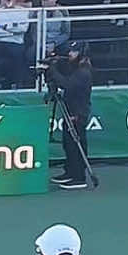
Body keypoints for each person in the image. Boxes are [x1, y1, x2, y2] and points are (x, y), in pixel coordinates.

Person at [44, 43, 93, 189]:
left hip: (78, 112)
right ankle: (70, 172)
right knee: (68, 143)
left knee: (76, 144)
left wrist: (52, 70)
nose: (70, 54)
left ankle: (79, 177)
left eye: (74, 51)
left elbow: (67, 84)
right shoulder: (75, 68)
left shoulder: (84, 72)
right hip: (70, 109)